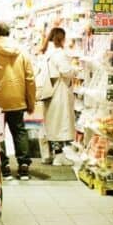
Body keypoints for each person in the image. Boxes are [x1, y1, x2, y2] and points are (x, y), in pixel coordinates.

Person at [0, 21, 36, 180]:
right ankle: (23, 166)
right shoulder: (22, 52)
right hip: (17, 100)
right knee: (19, 131)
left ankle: (5, 167)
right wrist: (30, 102)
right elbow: (30, 79)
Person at [39, 27, 76, 163]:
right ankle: (59, 157)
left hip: (48, 91)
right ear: (62, 39)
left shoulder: (46, 53)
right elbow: (66, 71)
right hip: (58, 92)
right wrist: (75, 70)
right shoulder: (59, 54)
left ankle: (50, 155)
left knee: (51, 124)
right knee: (60, 124)